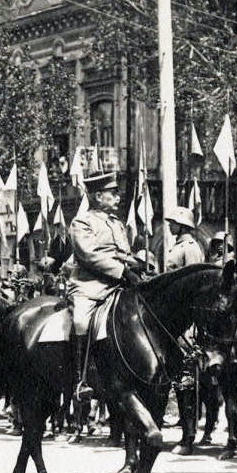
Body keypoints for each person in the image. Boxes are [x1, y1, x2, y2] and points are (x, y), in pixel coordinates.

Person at [67, 169, 144, 396]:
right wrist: (122, 270)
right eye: (113, 193)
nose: (118, 198)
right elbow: (88, 256)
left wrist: (136, 263)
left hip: (118, 283)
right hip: (90, 285)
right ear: (98, 196)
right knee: (81, 321)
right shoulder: (82, 222)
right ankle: (82, 378)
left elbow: (122, 252)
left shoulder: (116, 223)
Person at [162, 207, 205, 272]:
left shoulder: (190, 246)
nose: (169, 225)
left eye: (173, 222)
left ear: (182, 225)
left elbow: (193, 275)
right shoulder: (179, 245)